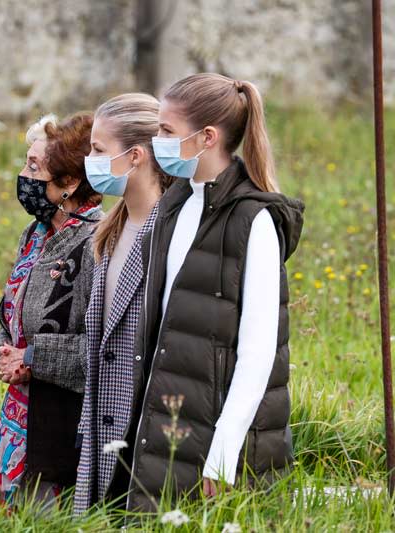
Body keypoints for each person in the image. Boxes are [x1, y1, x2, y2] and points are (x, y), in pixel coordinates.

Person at [120, 73, 304, 512]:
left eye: (167, 131)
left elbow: (260, 354)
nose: (157, 140)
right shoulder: (178, 202)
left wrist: (221, 459)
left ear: (206, 137)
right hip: (170, 434)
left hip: (223, 450)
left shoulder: (254, 221)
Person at [0, 113, 103, 507]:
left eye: (34, 167)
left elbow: (101, 344)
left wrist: (33, 358)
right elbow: (13, 313)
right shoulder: (35, 234)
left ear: (69, 183)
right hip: (17, 419)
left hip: (58, 428)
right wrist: (0, 352)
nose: (23, 175)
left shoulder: (96, 243)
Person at [73, 93, 174, 514]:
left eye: (98, 150)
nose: (89, 161)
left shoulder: (170, 232)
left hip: (147, 433)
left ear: (135, 156)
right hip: (103, 431)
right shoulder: (109, 233)